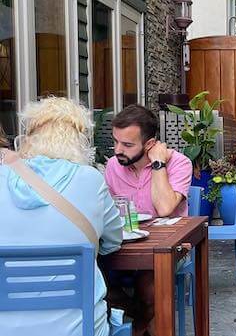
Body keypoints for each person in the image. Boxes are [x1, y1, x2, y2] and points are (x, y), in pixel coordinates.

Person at [0, 97, 123, 336]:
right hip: (79, 328)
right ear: (80, 140)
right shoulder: (91, 179)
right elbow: (113, 242)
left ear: (28, 137)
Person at [103, 104, 192, 336]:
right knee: (95, 279)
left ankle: (138, 324)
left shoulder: (179, 163)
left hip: (168, 248)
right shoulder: (113, 166)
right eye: (116, 142)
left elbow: (164, 208)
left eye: (127, 145)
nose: (117, 150)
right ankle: (141, 318)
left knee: (149, 283)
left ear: (150, 144)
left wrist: (158, 164)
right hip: (122, 247)